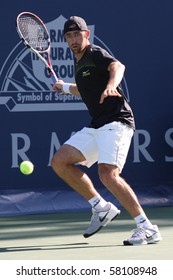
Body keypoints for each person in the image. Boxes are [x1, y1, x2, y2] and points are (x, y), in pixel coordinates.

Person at [51, 16, 162, 245]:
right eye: (69, 36)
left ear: (86, 35)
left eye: (77, 34)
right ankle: (100, 207)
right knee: (60, 161)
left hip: (117, 121)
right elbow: (85, 90)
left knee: (108, 174)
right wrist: (64, 87)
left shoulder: (93, 53)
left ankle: (147, 227)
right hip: (98, 124)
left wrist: (111, 85)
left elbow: (117, 66)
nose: (73, 39)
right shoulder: (80, 62)